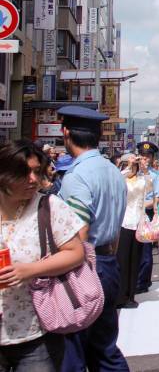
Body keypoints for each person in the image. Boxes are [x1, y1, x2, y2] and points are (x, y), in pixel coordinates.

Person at [0, 141, 88, 371]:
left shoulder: (48, 206)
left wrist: (30, 270)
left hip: (35, 330)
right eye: (23, 172)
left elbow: (76, 252)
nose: (32, 179)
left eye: (37, 171)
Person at [55, 106, 129, 372]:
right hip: (108, 261)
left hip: (83, 267)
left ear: (66, 133)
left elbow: (79, 232)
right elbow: (117, 227)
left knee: (72, 351)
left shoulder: (76, 176)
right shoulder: (113, 171)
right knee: (104, 349)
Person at [115, 154, 146, 309]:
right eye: (131, 164)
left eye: (135, 164)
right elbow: (116, 181)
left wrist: (144, 168)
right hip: (124, 222)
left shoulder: (142, 179)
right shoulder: (121, 178)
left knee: (135, 260)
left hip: (139, 222)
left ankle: (131, 295)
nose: (134, 166)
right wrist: (127, 166)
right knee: (122, 260)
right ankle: (120, 295)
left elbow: (151, 188)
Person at [134, 142, 159, 296]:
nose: (145, 158)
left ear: (152, 158)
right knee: (132, 249)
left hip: (146, 214)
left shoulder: (156, 175)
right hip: (131, 215)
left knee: (145, 250)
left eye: (148, 156)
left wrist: (141, 205)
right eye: (142, 155)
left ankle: (143, 281)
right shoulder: (132, 172)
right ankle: (133, 279)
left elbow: (158, 198)